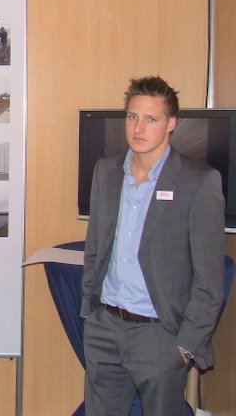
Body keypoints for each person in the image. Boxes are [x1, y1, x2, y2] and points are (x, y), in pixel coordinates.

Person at [81, 76, 225, 415]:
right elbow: (94, 248)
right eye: (133, 117)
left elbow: (209, 279)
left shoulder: (198, 181)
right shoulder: (106, 172)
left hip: (159, 336)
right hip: (105, 329)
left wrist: (185, 346)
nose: (138, 128)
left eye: (151, 119)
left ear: (171, 123)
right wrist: (91, 315)